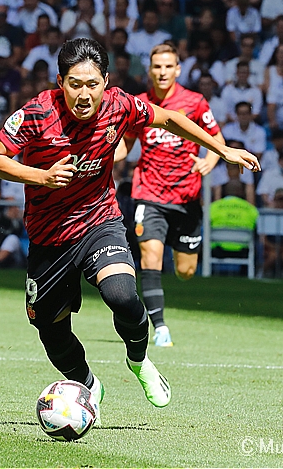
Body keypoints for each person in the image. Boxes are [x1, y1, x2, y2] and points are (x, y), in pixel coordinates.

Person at [0, 38, 260, 415]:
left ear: (106, 81)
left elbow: (171, 119)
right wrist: (41, 177)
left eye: (92, 84)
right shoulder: (35, 113)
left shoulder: (120, 104)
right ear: (60, 82)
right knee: (49, 328)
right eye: (75, 84)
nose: (84, 94)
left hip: (100, 222)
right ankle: (86, 383)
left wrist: (221, 149)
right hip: (49, 239)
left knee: (123, 295)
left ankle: (139, 360)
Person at [115, 41, 224, 347]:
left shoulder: (195, 102)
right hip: (148, 192)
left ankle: (168, 298)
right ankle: (159, 326)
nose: (162, 72)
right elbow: (126, 144)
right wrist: (100, 157)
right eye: (157, 67)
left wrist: (209, 160)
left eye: (168, 66)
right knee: (151, 255)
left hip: (187, 197)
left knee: (186, 270)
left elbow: (217, 138)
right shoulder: (138, 104)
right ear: (149, 70)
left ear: (178, 69)